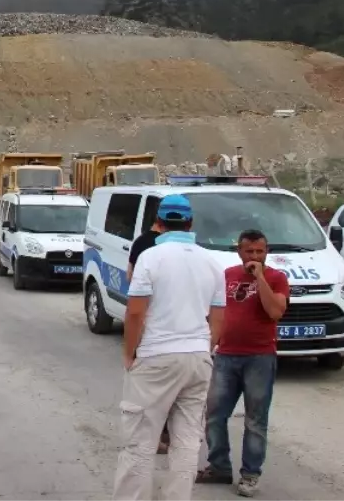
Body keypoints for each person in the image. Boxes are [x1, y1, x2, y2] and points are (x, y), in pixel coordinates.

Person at [113, 195, 225, 501]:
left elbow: (135, 312)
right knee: (187, 441)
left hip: (157, 356)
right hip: (198, 357)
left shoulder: (150, 257)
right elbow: (218, 317)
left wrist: (129, 353)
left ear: (159, 223)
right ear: (190, 223)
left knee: (139, 442)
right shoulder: (212, 262)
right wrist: (206, 347)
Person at [196, 229, 289, 497]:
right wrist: (208, 346)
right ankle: (219, 466)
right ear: (239, 251)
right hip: (226, 355)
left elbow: (275, 312)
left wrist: (260, 277)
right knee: (214, 414)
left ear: (267, 252)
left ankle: (250, 475)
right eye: (250, 251)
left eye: (260, 251)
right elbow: (215, 313)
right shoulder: (227, 276)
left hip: (260, 357)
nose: (255, 256)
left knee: (255, 420)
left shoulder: (276, 278)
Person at [127, 217, 172, 455]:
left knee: (151, 387)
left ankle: (154, 436)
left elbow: (130, 277)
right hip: (179, 330)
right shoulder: (191, 251)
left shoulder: (142, 244)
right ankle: (171, 434)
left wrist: (129, 351)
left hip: (149, 323)